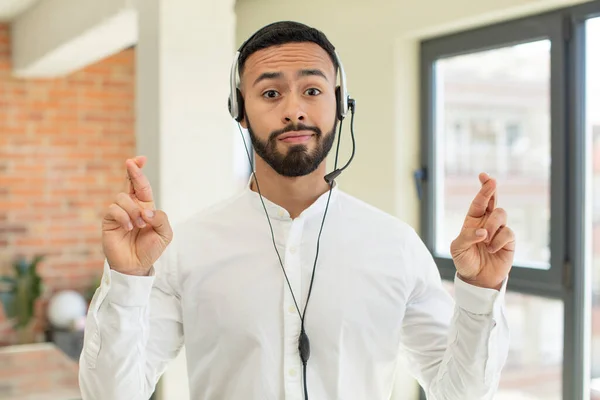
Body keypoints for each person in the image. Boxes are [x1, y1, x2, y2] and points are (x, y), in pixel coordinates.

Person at [78, 21, 514, 400]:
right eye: (270, 93)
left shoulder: (395, 244)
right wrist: (127, 281)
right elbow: (114, 395)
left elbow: (461, 393)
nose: (293, 110)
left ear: (340, 105)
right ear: (240, 110)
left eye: (312, 90)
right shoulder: (187, 247)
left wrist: (479, 290)